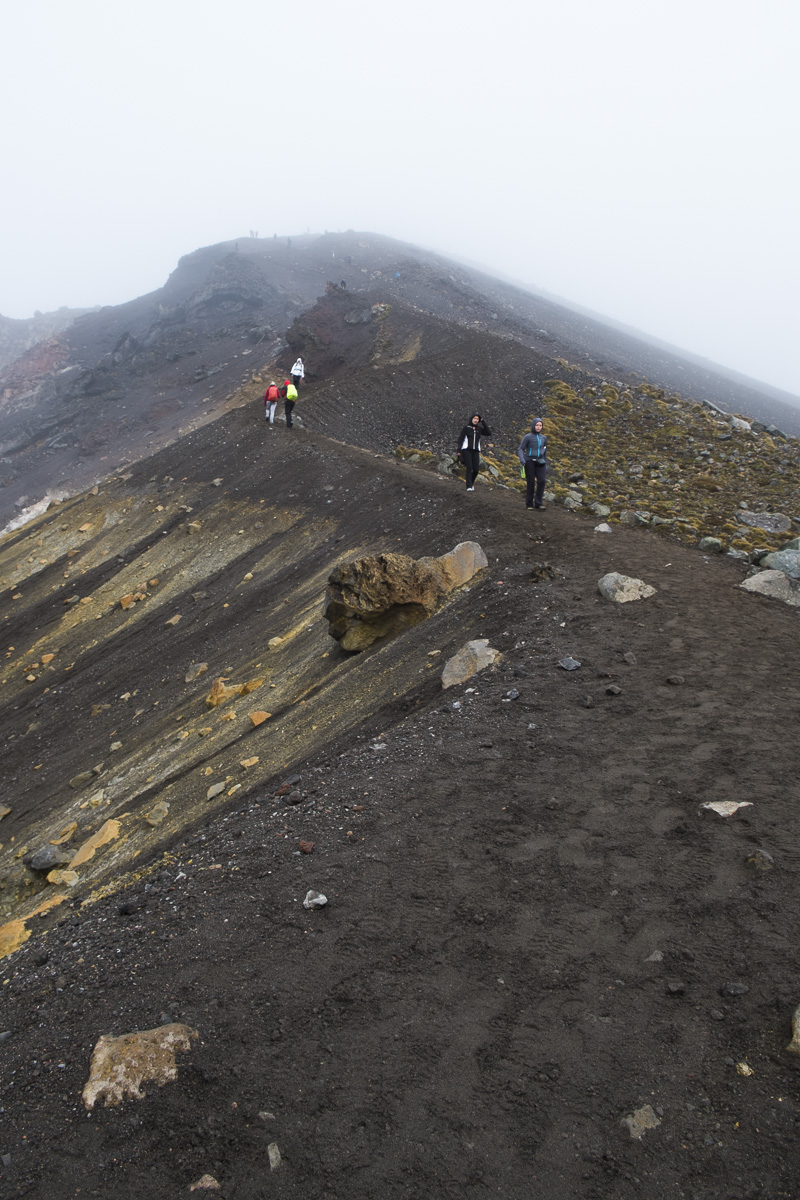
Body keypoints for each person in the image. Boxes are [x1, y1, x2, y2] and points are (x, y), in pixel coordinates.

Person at [456, 413, 492, 491]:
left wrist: (483, 421)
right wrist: (459, 450)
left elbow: (489, 433)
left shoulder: (479, 429)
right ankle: (468, 486)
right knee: (469, 467)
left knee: (476, 470)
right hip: (466, 450)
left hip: (476, 451)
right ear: (471, 419)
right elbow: (461, 439)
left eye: (477, 419)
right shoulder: (466, 427)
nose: (476, 420)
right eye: (474, 418)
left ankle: (471, 483)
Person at [517, 417, 548, 509]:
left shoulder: (544, 438)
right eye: (537, 425)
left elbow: (545, 451)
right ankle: (529, 504)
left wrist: (546, 463)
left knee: (541, 481)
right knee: (531, 482)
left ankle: (539, 503)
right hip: (530, 461)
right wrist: (522, 459)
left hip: (540, 462)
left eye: (540, 425)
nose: (538, 427)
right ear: (533, 426)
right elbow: (521, 449)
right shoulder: (528, 437)